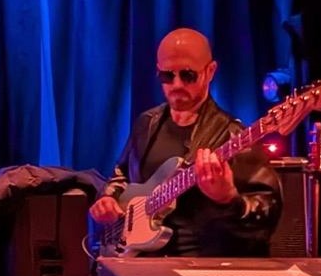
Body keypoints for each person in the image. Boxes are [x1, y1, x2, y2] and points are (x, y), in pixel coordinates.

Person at [89, 28, 280, 256]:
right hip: (139, 265)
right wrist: (109, 198)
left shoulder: (232, 136)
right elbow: (120, 174)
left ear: (210, 71)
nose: (177, 84)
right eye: (167, 76)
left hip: (201, 269)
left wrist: (229, 199)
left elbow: (269, 211)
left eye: (188, 75)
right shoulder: (147, 123)